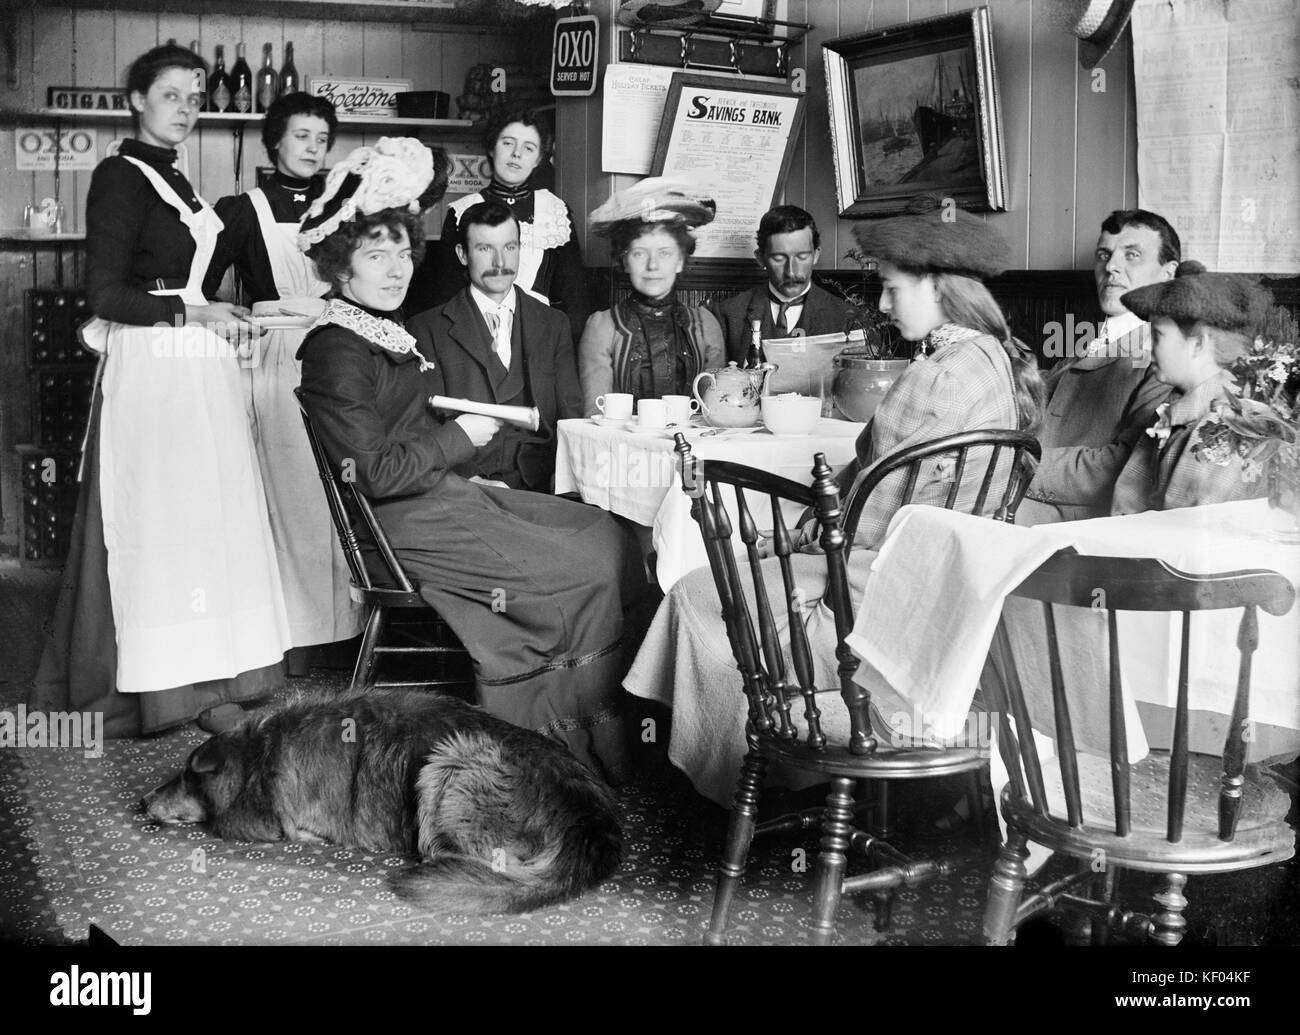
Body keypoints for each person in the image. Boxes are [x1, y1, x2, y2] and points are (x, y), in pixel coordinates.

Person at [623, 193, 1046, 807]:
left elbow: (875, 514)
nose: (881, 303)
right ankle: (769, 761)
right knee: (728, 580)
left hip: (881, 591)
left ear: (935, 287)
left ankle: (741, 775)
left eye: (893, 288)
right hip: (933, 581)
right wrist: (797, 537)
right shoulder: (984, 358)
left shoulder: (937, 376)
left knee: (695, 591)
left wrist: (812, 554)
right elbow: (875, 480)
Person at [296, 138, 630, 783]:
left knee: (603, 531)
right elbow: (369, 473)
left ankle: (593, 729)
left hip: (441, 493)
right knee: (583, 569)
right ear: (341, 270)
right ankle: (550, 752)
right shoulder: (336, 349)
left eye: (401, 252)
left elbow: (402, 435)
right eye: (376, 256)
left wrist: (457, 460)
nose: (396, 270)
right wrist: (463, 438)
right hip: (402, 524)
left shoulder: (377, 331)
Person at [32, 44, 290, 737]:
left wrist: (219, 314)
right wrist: (195, 313)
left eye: (195, 95)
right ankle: (161, 690)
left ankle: (208, 679)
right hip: (153, 367)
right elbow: (106, 293)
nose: (186, 107)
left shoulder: (175, 179)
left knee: (203, 526)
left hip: (194, 367)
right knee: (161, 526)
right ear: (136, 102)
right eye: (171, 94)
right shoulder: (120, 177)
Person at [202, 92, 363, 668]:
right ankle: (288, 640)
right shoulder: (241, 209)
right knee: (289, 492)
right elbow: (202, 288)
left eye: (322, 139)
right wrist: (238, 322)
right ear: (274, 142)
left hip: (339, 349)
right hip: (276, 360)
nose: (312, 149)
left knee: (336, 495)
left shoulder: (345, 206)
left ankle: (342, 634)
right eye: (301, 136)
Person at [1017, 209, 1179, 524]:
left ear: (1167, 273)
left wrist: (1013, 464)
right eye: (1104, 254)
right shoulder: (1087, 342)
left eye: (1132, 255)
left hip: (1084, 525)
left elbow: (1128, 463)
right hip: (1029, 502)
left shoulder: (1167, 358)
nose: (1111, 266)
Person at [408, 199, 582, 492]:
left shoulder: (554, 324)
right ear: (463, 255)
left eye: (509, 247)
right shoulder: (426, 329)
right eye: (485, 249)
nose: (500, 263)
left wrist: (566, 484)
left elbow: (571, 415)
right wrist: (466, 479)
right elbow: (423, 425)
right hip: (465, 486)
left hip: (542, 487)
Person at [404, 105, 590, 343]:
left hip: (540, 335)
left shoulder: (555, 210)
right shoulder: (463, 210)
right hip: (477, 333)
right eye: (508, 143)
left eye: (529, 148)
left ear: (539, 159)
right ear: (492, 147)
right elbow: (446, 293)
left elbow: (574, 297)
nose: (517, 154)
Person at [1111, 271, 1288, 513]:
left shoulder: (1219, 429)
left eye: (1156, 335)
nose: (1144, 346)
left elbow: (1185, 537)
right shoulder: (1178, 410)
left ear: (1198, 343)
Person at [577, 177, 725, 417]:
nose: (652, 265)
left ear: (680, 261)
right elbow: (595, 415)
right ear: (624, 261)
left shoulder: (704, 325)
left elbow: (714, 412)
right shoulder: (602, 326)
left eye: (665, 254)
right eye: (639, 254)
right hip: (622, 451)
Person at [711, 204, 857, 364]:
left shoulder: (848, 319)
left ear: (815, 255)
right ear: (760, 258)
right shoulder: (728, 314)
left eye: (802, 257)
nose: (791, 272)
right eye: (779, 258)